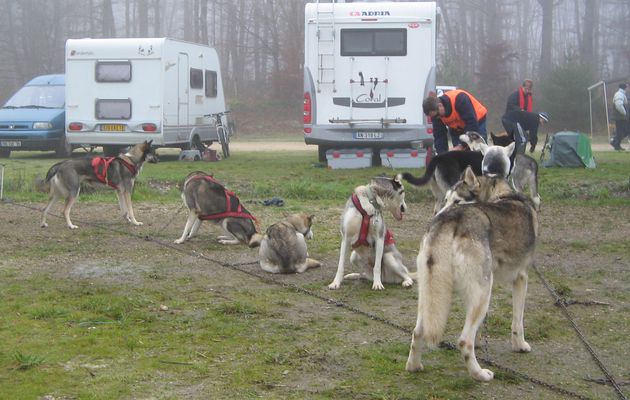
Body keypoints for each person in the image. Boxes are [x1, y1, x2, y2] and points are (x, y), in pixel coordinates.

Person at [422, 89, 488, 154]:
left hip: (476, 121)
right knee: (458, 155)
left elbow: (471, 125)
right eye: (434, 117)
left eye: (437, 115)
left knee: (479, 150)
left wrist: (462, 145)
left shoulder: (460, 99)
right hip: (457, 127)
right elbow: (439, 136)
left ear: (440, 105)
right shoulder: (435, 114)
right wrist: (442, 155)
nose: (437, 118)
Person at [611, 83, 628, 151]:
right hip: (620, 116)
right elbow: (619, 105)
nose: (628, 88)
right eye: (627, 87)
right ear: (625, 88)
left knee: (622, 131)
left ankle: (615, 142)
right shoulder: (619, 94)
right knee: (622, 131)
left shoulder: (621, 94)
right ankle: (616, 144)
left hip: (620, 116)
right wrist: (624, 113)